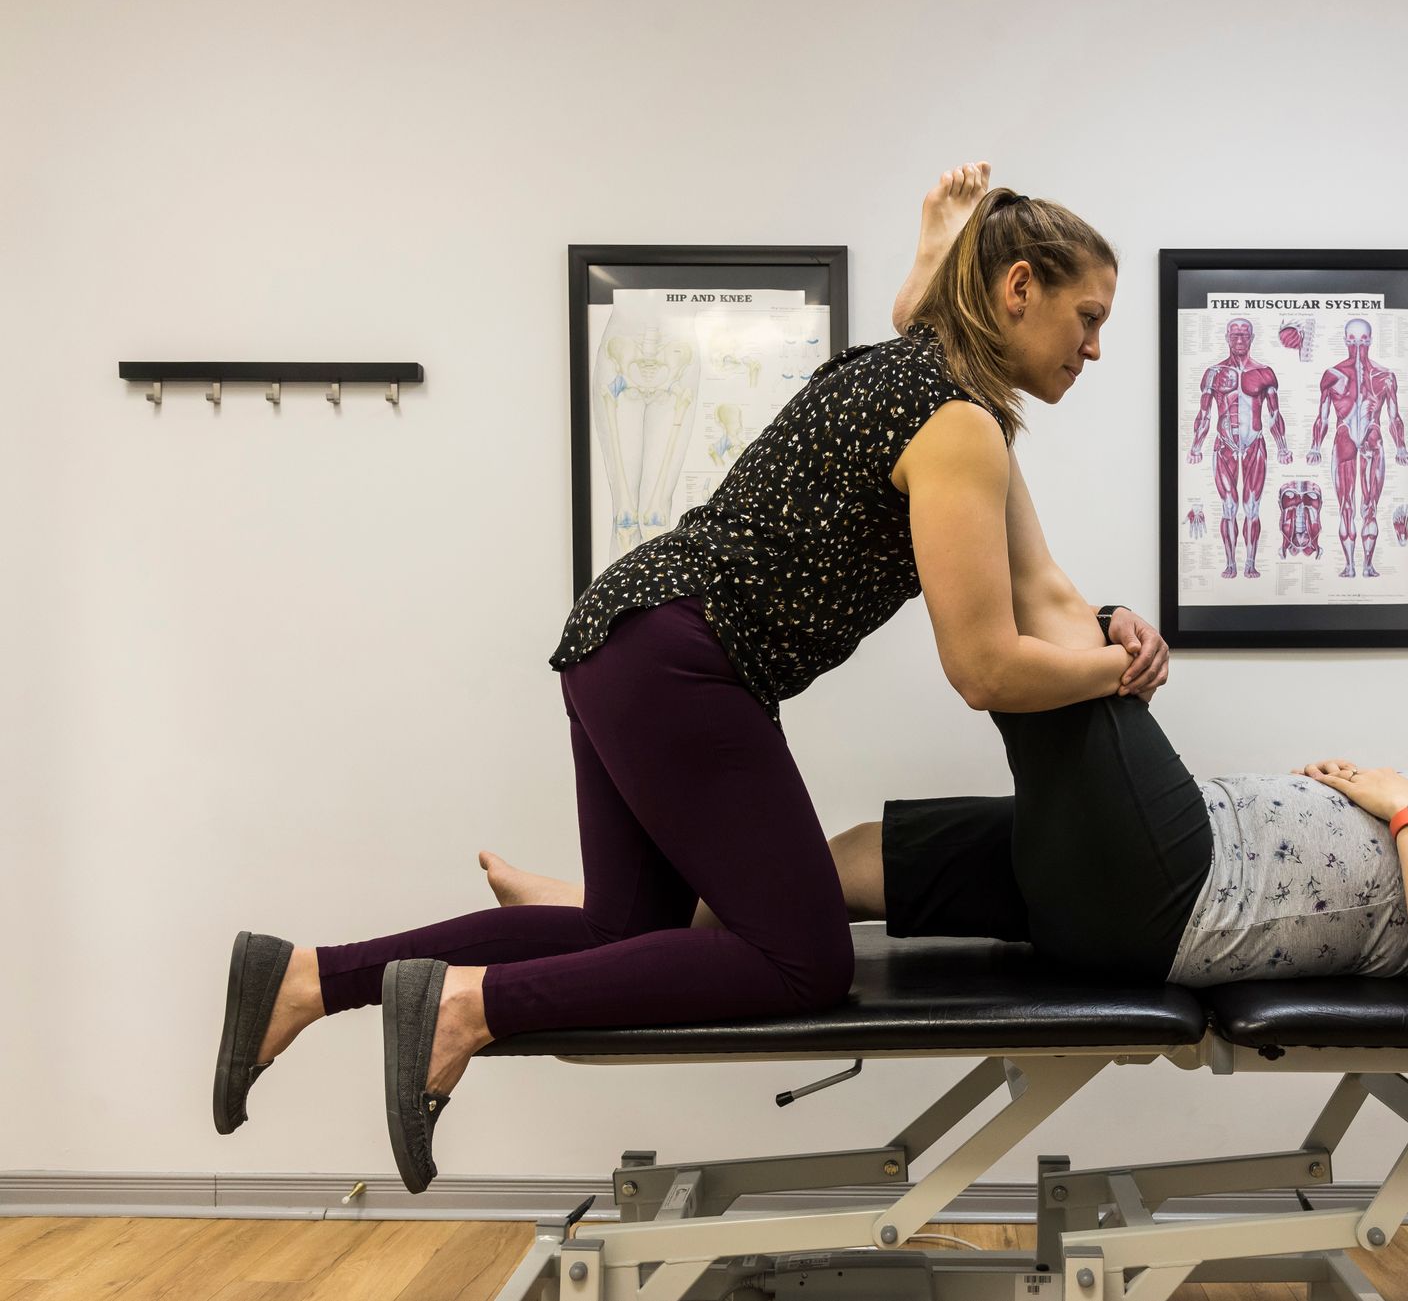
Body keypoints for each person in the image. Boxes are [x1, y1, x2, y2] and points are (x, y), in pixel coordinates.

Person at [212, 163, 1174, 1193]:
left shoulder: (906, 371)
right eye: (1088, 315)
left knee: (622, 933)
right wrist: (1114, 678)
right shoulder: (957, 425)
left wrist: (1104, 627)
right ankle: (466, 1008)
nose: (1095, 347)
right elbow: (983, 668)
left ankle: (309, 977)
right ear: (1018, 289)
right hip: (681, 660)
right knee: (805, 962)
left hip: (627, 640)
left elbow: (929, 337)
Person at [489, 632, 1408, 1006]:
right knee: (859, 869)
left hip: (1190, 896)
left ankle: (954, 441)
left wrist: (1407, 809)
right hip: (1170, 854)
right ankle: (606, 915)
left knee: (1071, 646)